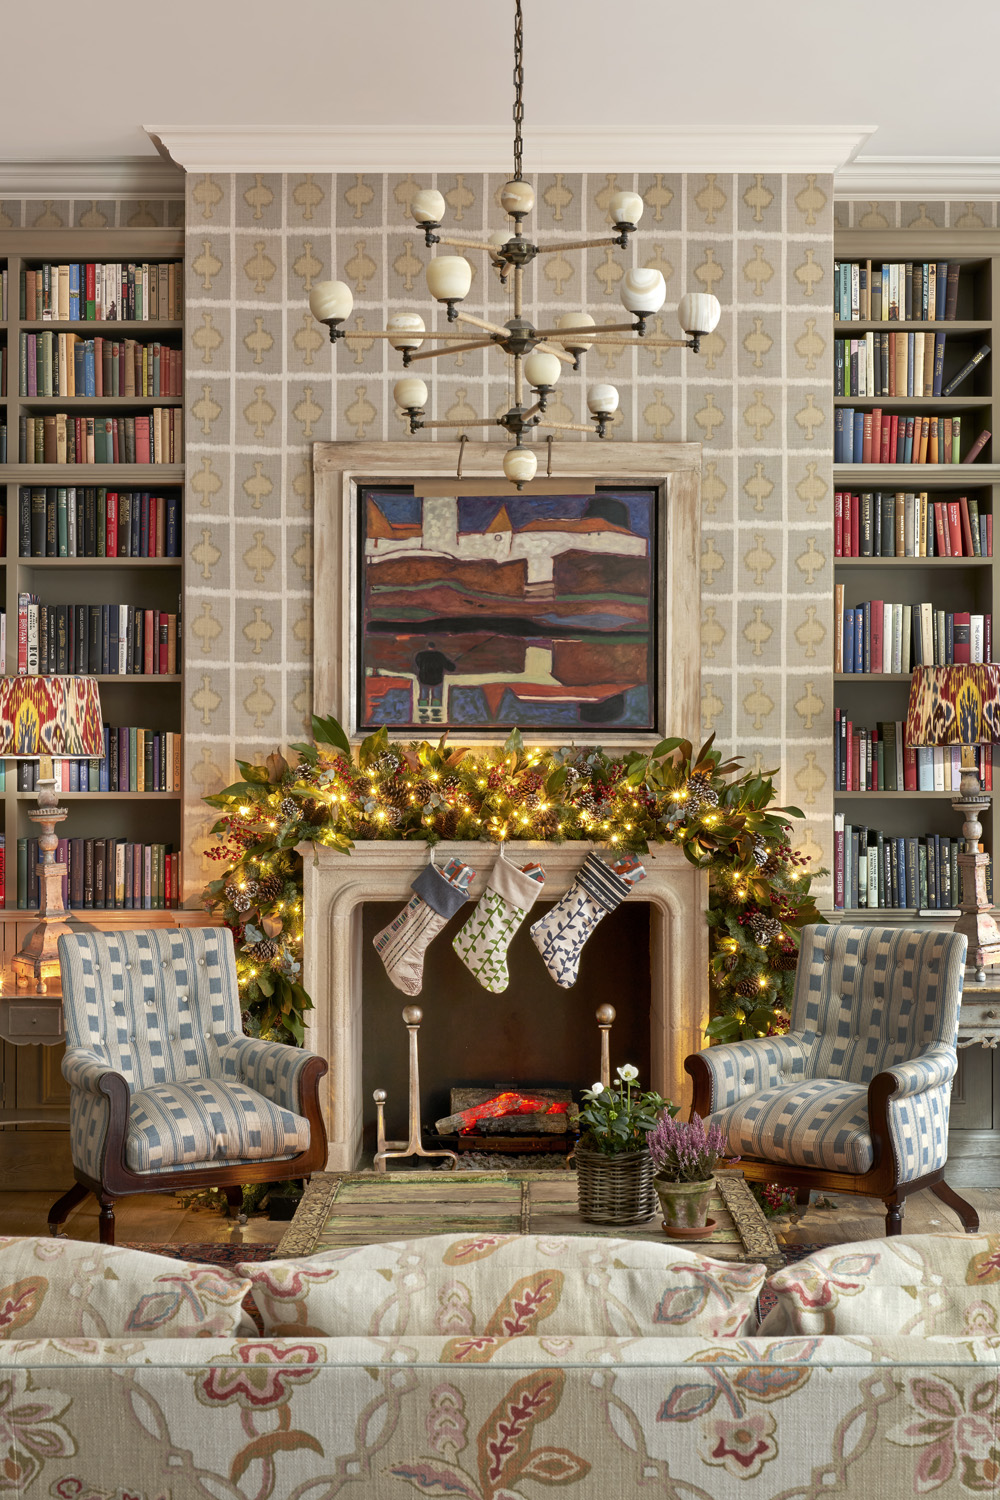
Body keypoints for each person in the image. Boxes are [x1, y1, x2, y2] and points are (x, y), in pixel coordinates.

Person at [414, 640, 455, 723]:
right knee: (437, 697)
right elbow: (449, 667)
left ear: (427, 646)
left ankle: (423, 714)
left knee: (424, 697)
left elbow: (418, 664)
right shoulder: (440, 656)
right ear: (434, 647)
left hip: (424, 679)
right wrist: (452, 664)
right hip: (437, 680)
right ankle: (436, 715)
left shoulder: (420, 655)